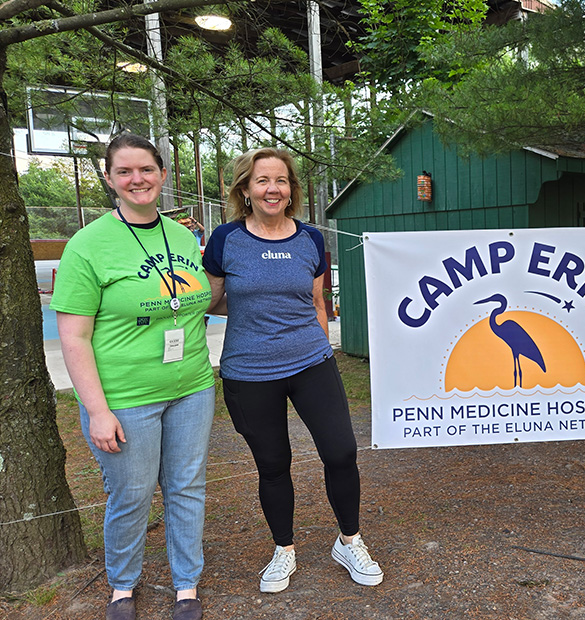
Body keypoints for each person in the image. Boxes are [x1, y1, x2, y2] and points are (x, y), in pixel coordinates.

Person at [202, 148, 383, 593]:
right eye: (262, 181)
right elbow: (209, 301)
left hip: (311, 363)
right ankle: (284, 549)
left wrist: (322, 346)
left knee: (341, 452)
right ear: (245, 189)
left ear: (291, 190)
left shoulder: (309, 240)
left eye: (280, 181)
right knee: (273, 464)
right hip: (249, 372)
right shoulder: (225, 240)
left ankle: (349, 540)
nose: (272, 189)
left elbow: (318, 302)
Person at [52, 133, 215, 620]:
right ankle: (123, 585)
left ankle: (187, 584)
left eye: (145, 169)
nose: (136, 179)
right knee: (132, 495)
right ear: (109, 179)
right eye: (124, 171)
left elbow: (195, 301)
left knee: (187, 487)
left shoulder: (183, 235)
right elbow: (74, 338)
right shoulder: (87, 246)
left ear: (162, 175)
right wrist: (98, 411)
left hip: (191, 387)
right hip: (124, 398)